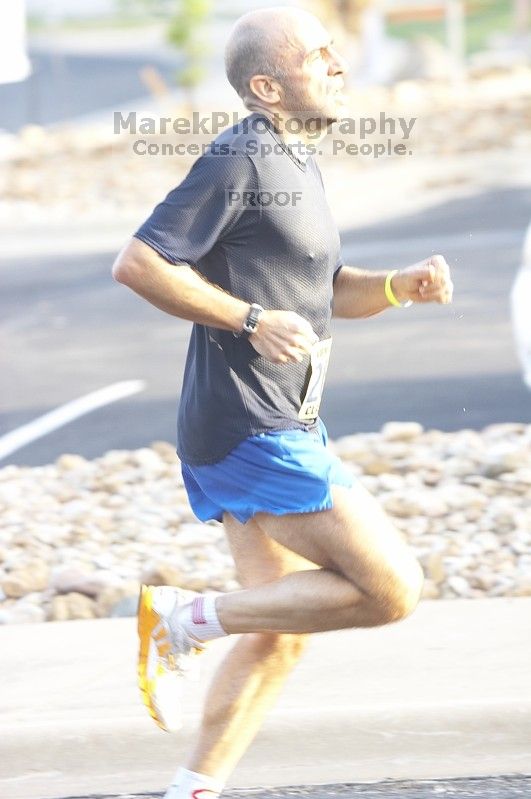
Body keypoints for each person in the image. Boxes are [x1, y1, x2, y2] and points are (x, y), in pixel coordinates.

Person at [112, 7, 454, 799]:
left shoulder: (294, 159)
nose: (338, 63)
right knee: (389, 587)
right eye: (317, 55)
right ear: (266, 85)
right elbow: (138, 261)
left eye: (335, 51)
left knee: (276, 634)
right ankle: (181, 620)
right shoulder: (240, 158)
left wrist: (401, 287)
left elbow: (322, 288)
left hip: (272, 415)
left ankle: (191, 789)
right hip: (249, 424)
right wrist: (248, 319)